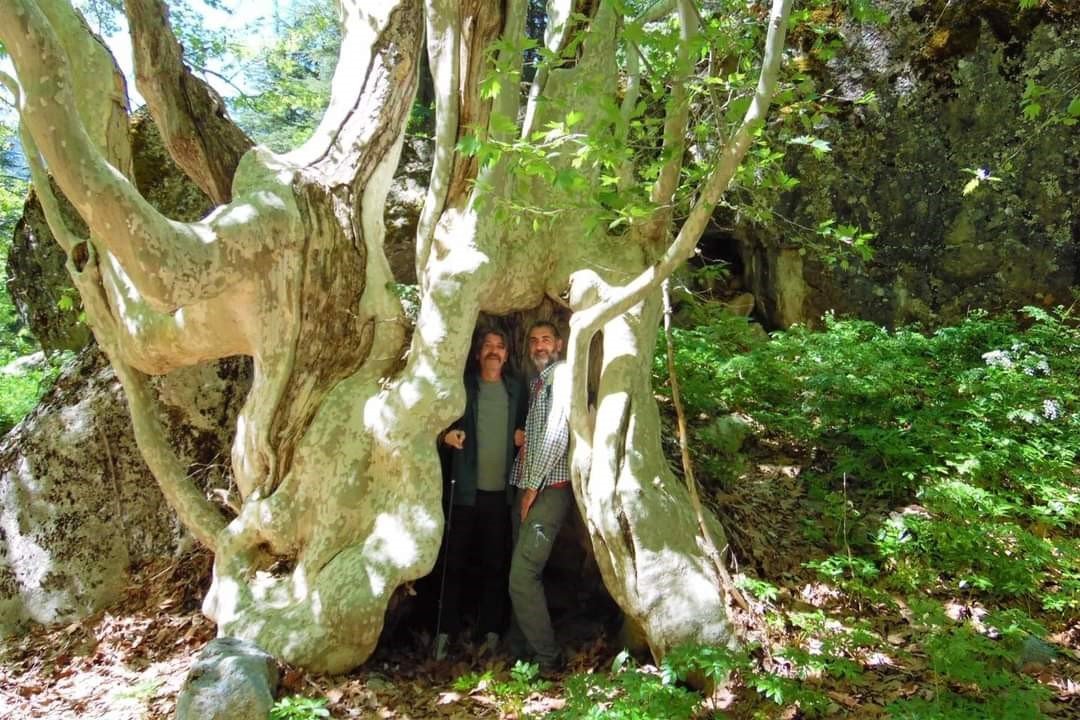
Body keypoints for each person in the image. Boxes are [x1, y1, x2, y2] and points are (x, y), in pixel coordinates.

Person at [434, 329, 527, 660]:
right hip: (464, 491)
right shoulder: (463, 386)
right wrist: (445, 437)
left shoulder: (516, 390)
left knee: (495, 564)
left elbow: (530, 425)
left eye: (500, 347)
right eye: (487, 346)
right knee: (454, 562)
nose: (493, 351)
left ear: (506, 355)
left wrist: (522, 435)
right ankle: (445, 631)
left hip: (501, 495)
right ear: (477, 353)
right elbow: (435, 422)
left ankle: (491, 630)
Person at [508, 320, 572, 674]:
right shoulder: (537, 384)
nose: (539, 346)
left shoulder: (560, 377)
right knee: (519, 571)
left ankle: (548, 658)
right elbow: (536, 437)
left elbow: (557, 434)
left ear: (559, 345)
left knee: (523, 575)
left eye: (546, 339)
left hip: (548, 491)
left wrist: (531, 488)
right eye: (533, 340)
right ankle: (519, 649)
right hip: (529, 487)